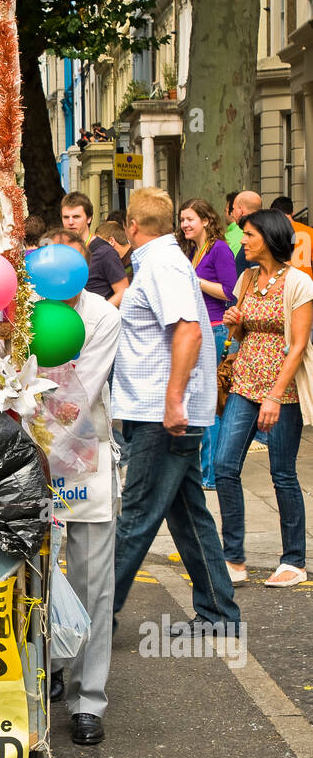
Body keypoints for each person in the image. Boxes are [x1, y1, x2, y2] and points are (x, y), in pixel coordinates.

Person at [111, 188, 240, 634]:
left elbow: (188, 333)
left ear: (131, 227)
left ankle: (92, 621)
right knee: (188, 514)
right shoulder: (163, 261)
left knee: (137, 515)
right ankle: (219, 614)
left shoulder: (162, 264)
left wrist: (173, 399)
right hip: (162, 411)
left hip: (160, 414)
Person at [44, 232, 121, 745]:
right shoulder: (25, 309)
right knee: (38, 576)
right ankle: (45, 667)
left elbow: (76, 395)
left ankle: (87, 698)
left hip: (85, 464)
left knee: (94, 583)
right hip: (31, 463)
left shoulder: (102, 316)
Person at [214, 210, 313, 588]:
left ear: (269, 237)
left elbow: (299, 346)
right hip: (244, 383)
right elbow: (240, 336)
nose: (243, 241)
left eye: (249, 234)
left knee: (283, 474)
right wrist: (233, 321)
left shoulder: (299, 283)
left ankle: (293, 560)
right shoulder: (246, 278)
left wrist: (274, 396)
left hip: (281, 391)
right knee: (224, 466)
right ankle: (234, 558)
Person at [177, 200, 238, 489]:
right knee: (204, 402)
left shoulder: (220, 249)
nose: (185, 225)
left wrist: (194, 280)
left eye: (189, 219)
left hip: (216, 331)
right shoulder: (196, 250)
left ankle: (212, 473)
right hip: (201, 329)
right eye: (182, 220)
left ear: (206, 220)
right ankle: (208, 470)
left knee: (212, 403)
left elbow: (230, 292)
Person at [61, 192, 129, 306]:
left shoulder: (105, 251)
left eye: (76, 217)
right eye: (66, 217)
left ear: (89, 218)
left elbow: (123, 291)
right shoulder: (63, 250)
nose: (70, 222)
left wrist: (100, 314)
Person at [270, 196, 313, 282]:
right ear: (292, 213)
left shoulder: (272, 232)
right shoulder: (310, 231)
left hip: (281, 284)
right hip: (306, 284)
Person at [231, 191, 262, 277]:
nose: (232, 213)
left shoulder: (256, 236)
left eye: (233, 209)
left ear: (241, 210)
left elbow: (257, 273)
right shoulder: (260, 231)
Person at [223, 192, 244, 257]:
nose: (224, 215)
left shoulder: (226, 238)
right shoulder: (255, 233)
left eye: (225, 211)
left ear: (232, 212)